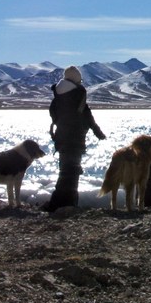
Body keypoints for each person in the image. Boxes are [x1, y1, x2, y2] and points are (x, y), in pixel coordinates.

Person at [43, 65, 105, 211]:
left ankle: (59, 203)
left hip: (61, 138)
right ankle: (67, 204)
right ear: (77, 79)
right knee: (72, 171)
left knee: (65, 170)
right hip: (75, 138)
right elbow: (88, 116)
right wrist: (98, 133)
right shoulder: (78, 94)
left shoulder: (58, 94)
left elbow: (53, 114)